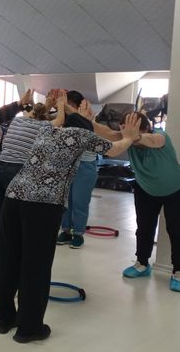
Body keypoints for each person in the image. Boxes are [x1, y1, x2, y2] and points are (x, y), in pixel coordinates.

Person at [0, 109, 140, 343]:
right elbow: (114, 149)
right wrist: (130, 136)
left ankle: (4, 319)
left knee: (9, 257)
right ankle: (28, 328)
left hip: (14, 196)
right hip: (42, 204)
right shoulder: (82, 135)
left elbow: (57, 119)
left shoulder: (46, 129)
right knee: (36, 265)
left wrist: (64, 107)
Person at [93, 112, 180, 292]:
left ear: (146, 128)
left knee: (177, 230)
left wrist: (136, 136)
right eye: (125, 130)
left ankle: (179, 271)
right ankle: (142, 264)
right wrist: (87, 119)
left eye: (133, 132)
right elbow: (108, 133)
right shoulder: (126, 137)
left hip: (175, 189)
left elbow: (151, 141)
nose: (128, 136)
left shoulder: (160, 136)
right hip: (145, 189)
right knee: (144, 227)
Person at [0, 89, 65, 261]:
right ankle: (9, 253)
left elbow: (33, 113)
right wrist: (60, 106)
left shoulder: (18, 121)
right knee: (13, 215)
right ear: (45, 117)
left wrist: (46, 103)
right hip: (16, 171)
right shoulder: (43, 127)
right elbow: (60, 120)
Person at [57, 90, 99, 248]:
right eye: (67, 105)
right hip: (67, 165)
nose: (68, 108)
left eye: (72, 106)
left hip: (86, 165)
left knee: (80, 201)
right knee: (66, 200)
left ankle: (78, 233)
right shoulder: (63, 119)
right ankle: (66, 230)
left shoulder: (88, 119)